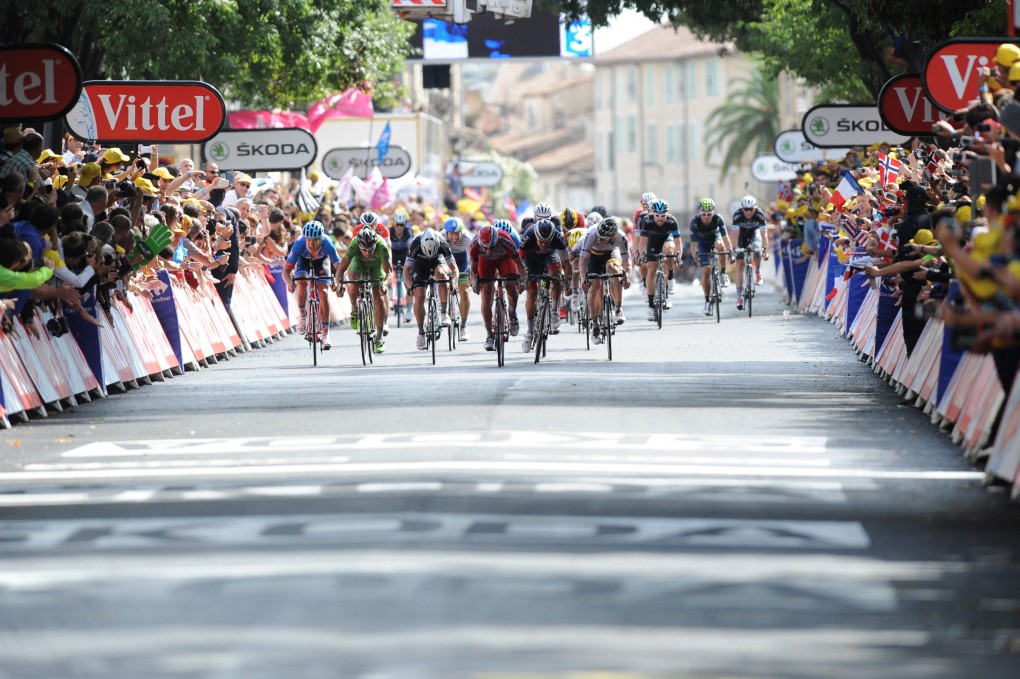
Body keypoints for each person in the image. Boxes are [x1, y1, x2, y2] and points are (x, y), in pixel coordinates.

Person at [282, 220, 342, 350]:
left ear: (321, 238)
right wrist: (289, 284)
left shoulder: (327, 243)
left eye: (315, 240)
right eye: (308, 240)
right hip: (303, 261)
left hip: (322, 262)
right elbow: (286, 270)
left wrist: (337, 280)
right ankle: (303, 316)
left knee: (323, 292)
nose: (311, 244)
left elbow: (338, 266)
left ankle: (325, 333)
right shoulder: (299, 244)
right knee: (301, 282)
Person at [334, 227, 393, 354]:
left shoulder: (382, 246)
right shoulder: (354, 244)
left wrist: (385, 284)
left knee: (378, 297)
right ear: (359, 245)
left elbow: (389, 273)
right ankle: (354, 308)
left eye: (370, 249)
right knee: (354, 281)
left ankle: (379, 337)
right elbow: (340, 269)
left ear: (375, 245)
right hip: (359, 263)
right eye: (364, 249)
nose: (367, 253)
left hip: (376, 266)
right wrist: (339, 285)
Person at [469, 224, 527, 352]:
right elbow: (473, 270)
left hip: (504, 259)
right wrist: (474, 282)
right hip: (485, 262)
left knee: (510, 285)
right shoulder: (474, 245)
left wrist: (522, 281)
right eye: (486, 248)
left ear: (496, 241)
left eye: (492, 247)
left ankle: (512, 312)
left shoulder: (505, 239)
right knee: (486, 291)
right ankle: (489, 334)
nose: (489, 251)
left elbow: (520, 265)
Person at [578, 216, 632, 344]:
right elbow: (583, 261)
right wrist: (584, 279)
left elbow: (626, 261)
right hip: (593, 256)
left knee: (614, 269)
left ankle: (618, 308)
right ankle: (595, 322)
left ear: (612, 237)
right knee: (595, 286)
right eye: (598, 236)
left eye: (602, 238)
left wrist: (626, 276)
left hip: (611, 254)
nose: (598, 239)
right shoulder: (591, 233)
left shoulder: (620, 236)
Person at [404, 228, 459, 351]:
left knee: (442, 275)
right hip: (420, 263)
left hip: (437, 261)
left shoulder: (442, 243)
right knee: (419, 294)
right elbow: (406, 270)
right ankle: (421, 333)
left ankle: (444, 313)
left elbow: (454, 269)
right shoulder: (415, 243)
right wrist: (409, 287)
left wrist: (454, 283)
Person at [520, 218, 570, 351]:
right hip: (531, 259)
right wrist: (520, 279)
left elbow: (566, 263)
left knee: (556, 275)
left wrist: (569, 282)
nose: (543, 245)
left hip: (550, 256)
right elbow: (518, 261)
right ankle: (530, 332)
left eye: (547, 242)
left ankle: (554, 311)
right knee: (531, 292)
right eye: (541, 241)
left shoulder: (557, 238)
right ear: (536, 236)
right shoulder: (528, 236)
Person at [689, 198, 733, 316]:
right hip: (702, 243)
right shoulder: (695, 222)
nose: (706, 217)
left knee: (720, 246)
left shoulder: (718, 219)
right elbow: (693, 245)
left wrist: (730, 252)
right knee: (706, 272)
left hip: (715, 238)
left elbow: (725, 238)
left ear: (713, 213)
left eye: (709, 214)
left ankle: (723, 273)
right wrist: (695, 257)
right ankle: (707, 301)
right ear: (700, 213)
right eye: (704, 214)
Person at [641, 198, 682, 320]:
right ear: (653, 213)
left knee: (669, 250)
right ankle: (650, 306)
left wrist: (678, 257)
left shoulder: (671, 221)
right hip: (653, 242)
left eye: (663, 216)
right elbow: (643, 242)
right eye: (657, 215)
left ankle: (670, 278)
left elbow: (678, 242)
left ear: (667, 214)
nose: (660, 218)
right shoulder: (647, 220)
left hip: (667, 239)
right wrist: (642, 254)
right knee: (651, 270)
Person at [731, 195, 770, 310]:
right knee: (739, 265)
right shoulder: (737, 215)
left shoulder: (760, 214)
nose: (748, 212)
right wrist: (734, 249)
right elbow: (735, 235)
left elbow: (764, 235)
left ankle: (757, 271)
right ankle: (739, 297)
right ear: (742, 208)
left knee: (757, 247)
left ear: (755, 208)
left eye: (751, 209)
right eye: (746, 209)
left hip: (755, 234)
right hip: (741, 237)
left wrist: (765, 251)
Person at [441, 216, 472, 341]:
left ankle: (463, 327)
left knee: (464, 291)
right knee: (443, 279)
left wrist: (471, 273)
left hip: (462, 260)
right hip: (446, 260)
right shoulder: (440, 237)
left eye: (457, 234)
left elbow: (472, 260)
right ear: (447, 233)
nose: (454, 238)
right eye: (452, 234)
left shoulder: (467, 238)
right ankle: (442, 307)